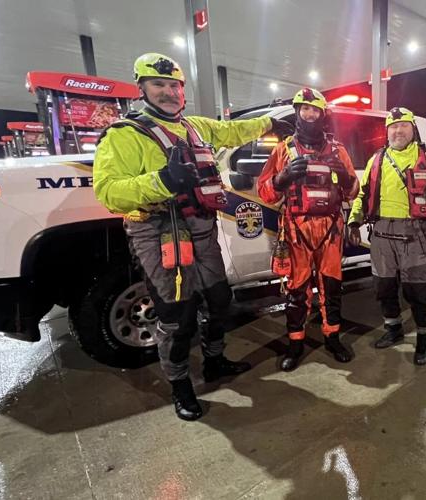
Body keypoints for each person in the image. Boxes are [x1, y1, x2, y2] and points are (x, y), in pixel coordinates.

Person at [93, 52, 294, 420]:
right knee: (175, 315)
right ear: (142, 89)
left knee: (219, 300)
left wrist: (271, 123)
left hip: (202, 228)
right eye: (159, 85)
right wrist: (162, 181)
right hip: (158, 233)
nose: (168, 92)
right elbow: (107, 191)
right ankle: (181, 385)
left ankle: (215, 362)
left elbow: (232, 131)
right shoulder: (123, 136)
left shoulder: (195, 127)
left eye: (174, 85)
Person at [258, 88, 359, 371]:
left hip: (330, 228)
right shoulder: (283, 150)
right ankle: (295, 343)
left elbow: (352, 193)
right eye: (305, 109)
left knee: (331, 286)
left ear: (322, 114)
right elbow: (265, 193)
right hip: (296, 228)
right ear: (298, 112)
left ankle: (333, 337)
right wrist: (282, 177)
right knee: (297, 289)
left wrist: (347, 175)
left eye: (315, 109)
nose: (310, 114)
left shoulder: (338, 150)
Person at [348, 107, 426, 365]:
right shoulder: (376, 160)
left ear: (412, 129)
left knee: (417, 291)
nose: (398, 130)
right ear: (387, 132)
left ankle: (422, 339)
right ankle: (394, 330)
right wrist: (353, 221)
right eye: (392, 127)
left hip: (415, 235)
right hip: (382, 235)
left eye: (403, 126)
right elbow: (363, 195)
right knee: (384, 288)